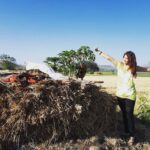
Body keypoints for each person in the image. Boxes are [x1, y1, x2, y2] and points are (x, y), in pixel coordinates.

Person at [95, 48, 150, 144]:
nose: (125, 59)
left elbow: (147, 69)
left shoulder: (134, 67)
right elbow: (109, 58)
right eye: (124, 57)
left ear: (131, 59)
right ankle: (126, 132)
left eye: (127, 58)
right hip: (120, 94)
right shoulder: (119, 64)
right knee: (124, 114)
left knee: (129, 114)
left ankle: (132, 136)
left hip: (130, 95)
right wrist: (100, 52)